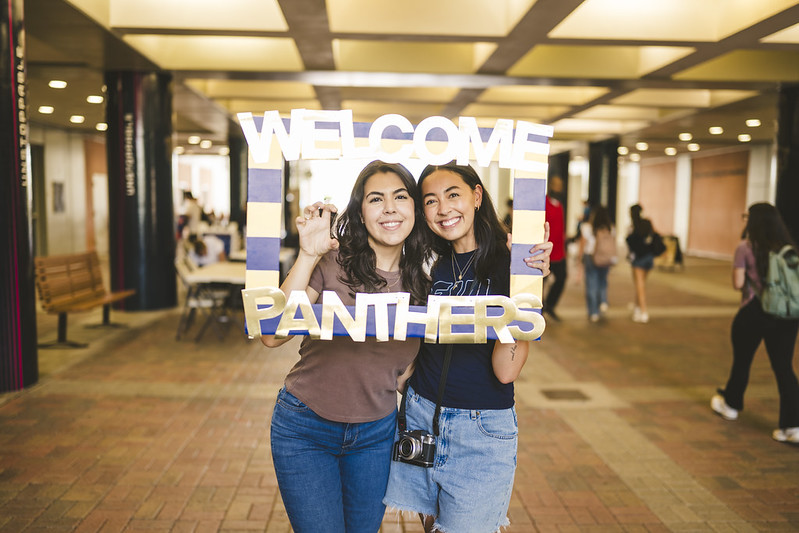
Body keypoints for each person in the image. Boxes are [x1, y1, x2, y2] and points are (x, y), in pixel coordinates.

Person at [259, 161, 429, 533]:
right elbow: (272, 334)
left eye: (400, 197)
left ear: (415, 208)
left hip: (376, 435)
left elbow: (407, 375)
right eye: (375, 199)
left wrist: (526, 268)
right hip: (305, 426)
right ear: (360, 211)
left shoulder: (425, 285)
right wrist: (307, 255)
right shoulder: (332, 262)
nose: (389, 208)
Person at [383, 162, 551, 533]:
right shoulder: (426, 264)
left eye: (453, 194)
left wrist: (523, 289)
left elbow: (506, 371)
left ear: (476, 196)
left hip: (482, 429)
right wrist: (405, 379)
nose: (443, 209)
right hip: (421, 417)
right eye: (430, 200)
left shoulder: (509, 263)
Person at [711, 203, 799, 444]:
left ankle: (731, 405)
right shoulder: (789, 249)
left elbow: (738, 284)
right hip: (785, 316)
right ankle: (792, 426)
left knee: (742, 361)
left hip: (753, 312)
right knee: (784, 367)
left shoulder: (745, 247)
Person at [578, 205, 615, 322]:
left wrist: (579, 258)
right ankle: (603, 301)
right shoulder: (611, 228)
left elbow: (582, 244)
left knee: (591, 283)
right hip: (605, 258)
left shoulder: (587, 227)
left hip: (590, 257)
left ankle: (593, 312)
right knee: (603, 280)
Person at [625, 204, 658, 323]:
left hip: (638, 259)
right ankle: (637, 307)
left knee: (640, 286)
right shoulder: (647, 223)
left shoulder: (632, 227)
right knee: (641, 284)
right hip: (649, 258)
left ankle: (643, 312)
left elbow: (629, 244)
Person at [544, 175, 567, 321]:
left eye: (560, 185)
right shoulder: (544, 204)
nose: (558, 188)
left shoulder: (559, 205)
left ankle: (550, 306)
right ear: (551, 185)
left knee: (562, 278)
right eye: (556, 185)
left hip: (559, 252)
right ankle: (539, 309)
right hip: (546, 252)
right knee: (541, 283)